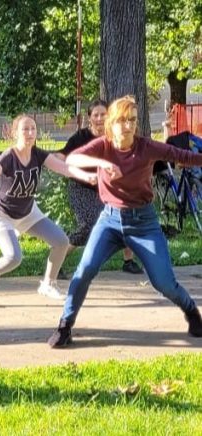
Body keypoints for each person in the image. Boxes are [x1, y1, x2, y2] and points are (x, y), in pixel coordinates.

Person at [47, 96, 202, 348]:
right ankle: (65, 325)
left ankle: (191, 311)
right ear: (111, 122)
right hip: (109, 221)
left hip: (144, 222)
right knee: (85, 269)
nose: (128, 125)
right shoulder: (103, 146)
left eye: (132, 120)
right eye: (122, 120)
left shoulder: (146, 147)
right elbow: (72, 159)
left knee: (163, 281)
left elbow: (181, 154)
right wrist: (102, 163)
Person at [0, 115, 97, 308]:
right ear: (14, 133)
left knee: (61, 241)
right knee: (13, 257)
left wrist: (87, 176)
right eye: (25, 129)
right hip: (1, 215)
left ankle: (48, 284)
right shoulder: (9, 156)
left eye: (33, 129)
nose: (30, 133)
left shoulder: (38, 154)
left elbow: (65, 168)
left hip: (29, 213)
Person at [58, 100, 143, 275]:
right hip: (81, 187)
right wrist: (51, 160)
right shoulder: (80, 138)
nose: (99, 118)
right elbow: (63, 156)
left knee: (127, 216)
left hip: (109, 187)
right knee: (89, 223)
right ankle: (57, 261)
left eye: (102, 114)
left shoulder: (115, 137)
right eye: (95, 115)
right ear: (90, 118)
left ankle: (128, 261)